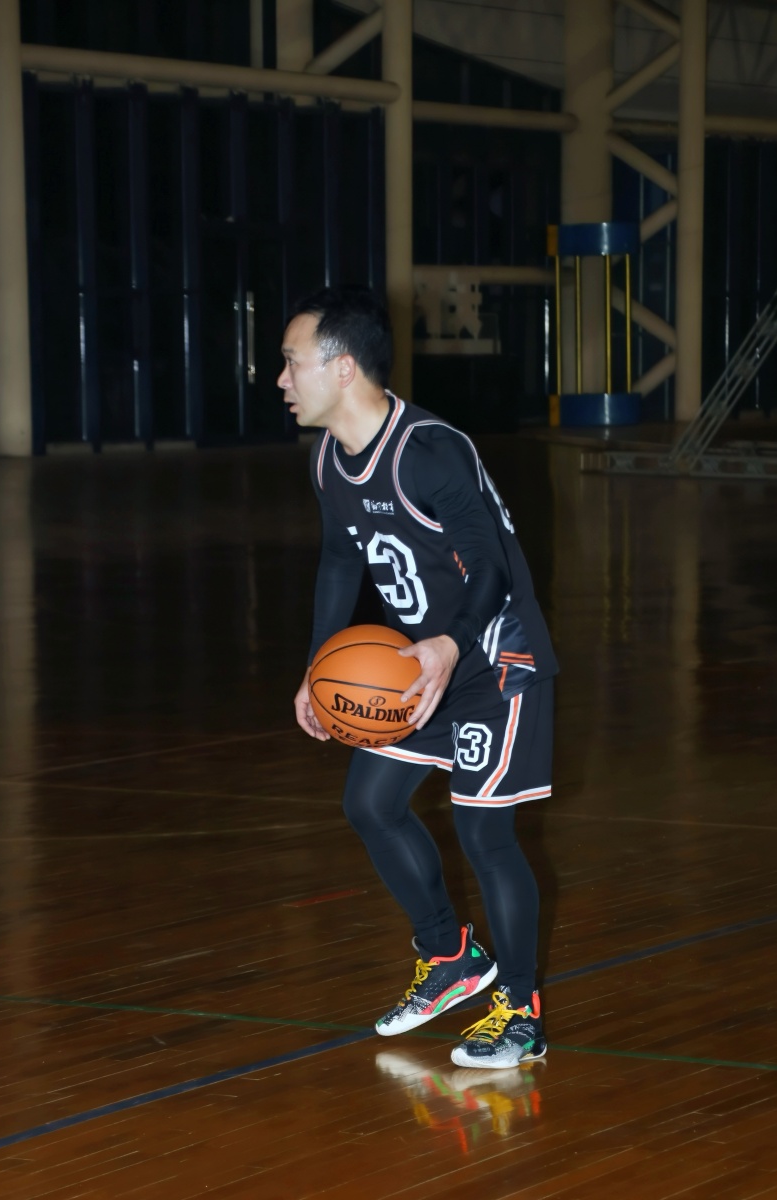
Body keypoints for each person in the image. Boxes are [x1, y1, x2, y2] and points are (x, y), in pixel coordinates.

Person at [283, 287, 557, 1069]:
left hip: (494, 658)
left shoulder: (429, 450)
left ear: (342, 367)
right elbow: (340, 561)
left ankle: (521, 1014)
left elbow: (493, 569)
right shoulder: (329, 459)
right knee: (369, 803)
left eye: (292, 361)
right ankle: (449, 957)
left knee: (484, 832)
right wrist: (316, 666)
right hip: (420, 663)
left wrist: (450, 644)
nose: (281, 378)